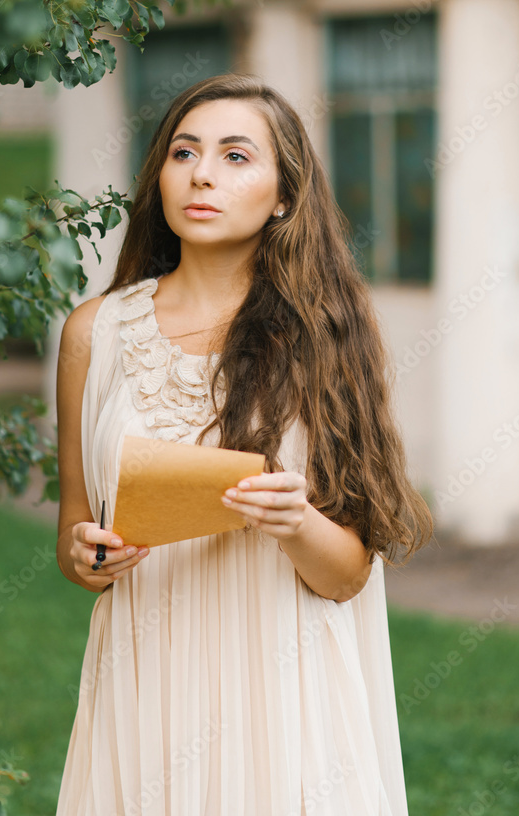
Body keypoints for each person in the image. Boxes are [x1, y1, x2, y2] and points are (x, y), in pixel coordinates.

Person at [54, 72, 433, 815]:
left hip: (285, 687)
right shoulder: (92, 332)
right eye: (183, 152)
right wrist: (87, 555)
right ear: (160, 174)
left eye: (235, 157)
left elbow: (348, 574)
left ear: (284, 194)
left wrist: (295, 522)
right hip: (147, 677)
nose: (201, 173)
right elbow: (76, 536)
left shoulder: (327, 335)